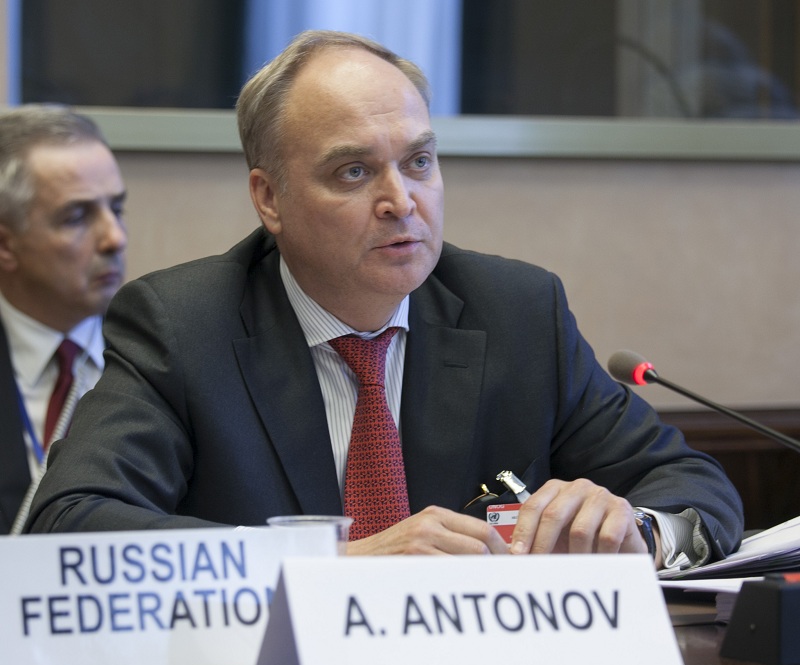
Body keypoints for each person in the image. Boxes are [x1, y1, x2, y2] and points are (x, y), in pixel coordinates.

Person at [24, 31, 742, 571]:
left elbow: (695, 488)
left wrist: (633, 530)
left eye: (419, 161)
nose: (402, 202)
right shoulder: (185, 325)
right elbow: (72, 524)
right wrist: (331, 564)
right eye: (355, 171)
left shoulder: (518, 311)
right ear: (268, 198)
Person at [0, 104, 127, 534]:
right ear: (6, 244)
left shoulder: (165, 349)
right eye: (77, 217)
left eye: (116, 209)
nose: (115, 237)